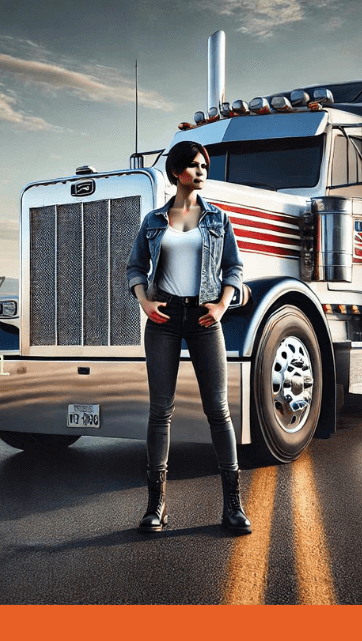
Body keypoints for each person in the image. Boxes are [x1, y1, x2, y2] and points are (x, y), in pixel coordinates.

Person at [125, 140, 251, 534]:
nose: (201, 172)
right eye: (194, 166)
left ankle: (233, 505)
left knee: (218, 410)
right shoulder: (153, 221)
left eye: (204, 166)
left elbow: (233, 268)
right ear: (177, 171)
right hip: (162, 318)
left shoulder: (218, 219)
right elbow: (134, 267)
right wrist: (144, 302)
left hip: (204, 318)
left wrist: (220, 306)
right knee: (160, 410)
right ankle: (156, 506)